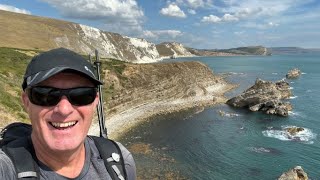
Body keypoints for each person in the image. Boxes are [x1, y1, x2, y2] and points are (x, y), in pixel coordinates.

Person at [0, 48, 136, 179]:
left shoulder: (119, 160)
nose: (64, 109)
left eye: (81, 95)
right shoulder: (6, 168)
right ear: (26, 102)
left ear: (96, 101)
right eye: (45, 95)